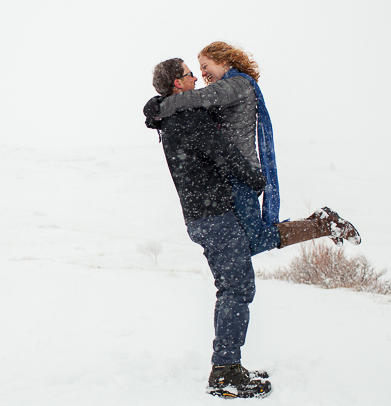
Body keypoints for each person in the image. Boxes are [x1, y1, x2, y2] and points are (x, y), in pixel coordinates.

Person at [153, 41, 361, 252]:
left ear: (223, 61)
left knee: (251, 243)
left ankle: (322, 224)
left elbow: (197, 98)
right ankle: (322, 223)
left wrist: (159, 106)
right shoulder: (227, 89)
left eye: (205, 66)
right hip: (232, 173)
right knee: (243, 244)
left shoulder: (237, 85)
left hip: (242, 173)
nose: (202, 73)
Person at [145, 58, 271, 398]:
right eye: (188, 74)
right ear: (177, 84)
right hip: (215, 216)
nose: (194, 78)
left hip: (200, 217)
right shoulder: (188, 117)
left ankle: (228, 363)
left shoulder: (170, 118)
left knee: (232, 286)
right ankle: (226, 371)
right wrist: (255, 178)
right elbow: (224, 153)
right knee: (236, 288)